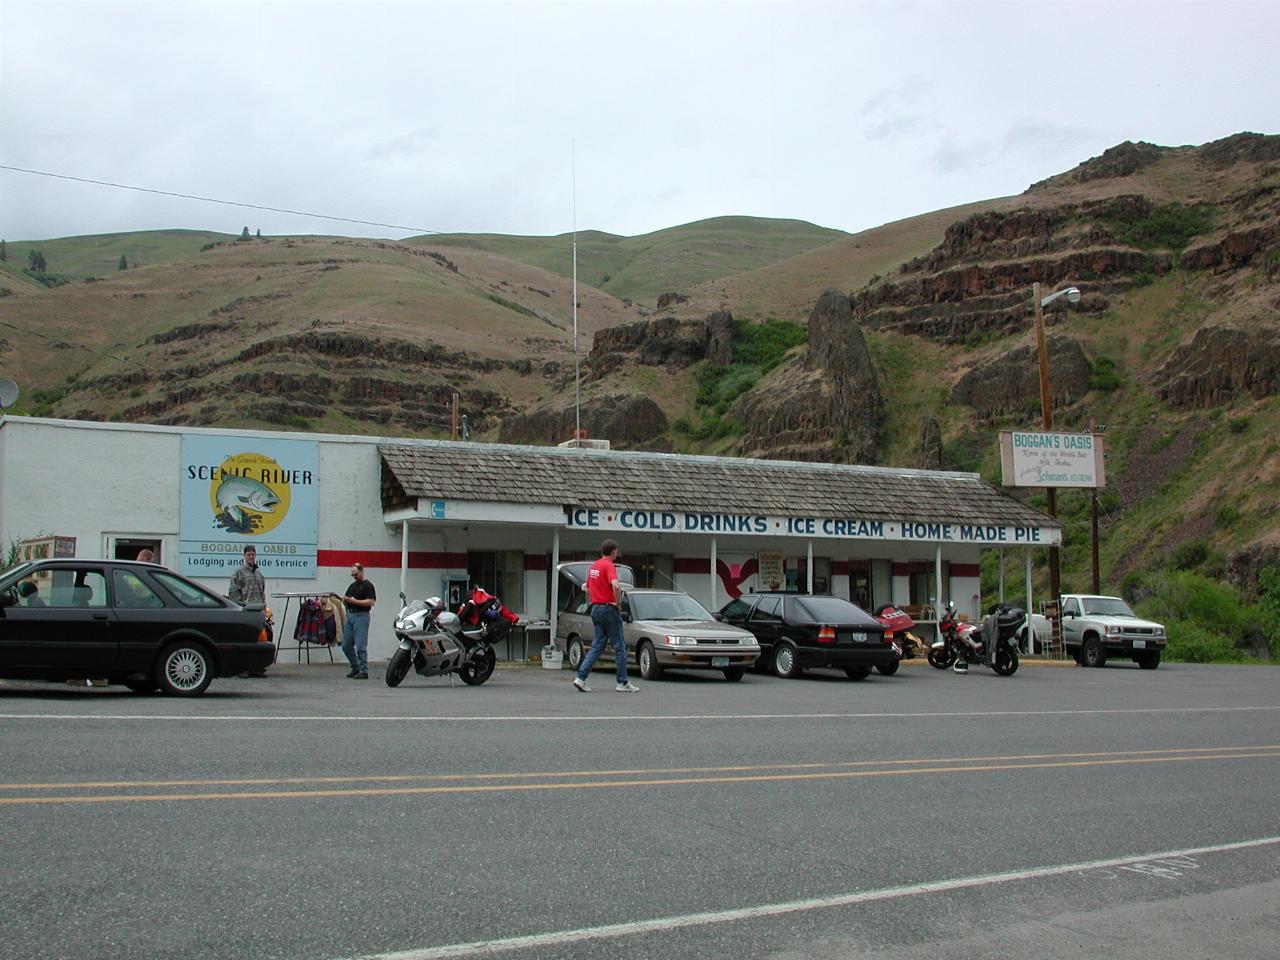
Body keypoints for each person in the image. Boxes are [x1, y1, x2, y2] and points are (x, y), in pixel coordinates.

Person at [572, 539, 639, 693]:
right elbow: (616, 584)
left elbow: (586, 587)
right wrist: (618, 602)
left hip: (595, 608)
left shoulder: (594, 566)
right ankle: (622, 682)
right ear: (614, 551)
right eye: (617, 551)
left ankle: (580, 677)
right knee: (620, 647)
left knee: (597, 645)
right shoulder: (609, 566)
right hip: (609, 609)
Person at [228, 545, 268, 677]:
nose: (251, 557)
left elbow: (263, 593)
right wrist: (239, 609)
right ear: (244, 556)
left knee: (259, 641)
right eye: (248, 554)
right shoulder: (238, 573)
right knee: (244, 641)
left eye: (253, 554)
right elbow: (234, 594)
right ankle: (242, 669)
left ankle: (257, 668)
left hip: (259, 613)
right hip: (245, 612)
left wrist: (264, 610)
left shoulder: (259, 573)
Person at [341, 562, 376, 679]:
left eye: (356, 574)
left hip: (362, 616)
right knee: (346, 645)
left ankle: (363, 670)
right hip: (351, 615)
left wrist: (354, 601)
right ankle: (355, 666)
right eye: (353, 575)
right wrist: (345, 600)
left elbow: (371, 602)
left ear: (361, 572)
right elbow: (347, 600)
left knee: (361, 645)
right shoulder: (352, 586)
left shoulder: (367, 585)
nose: (355, 577)